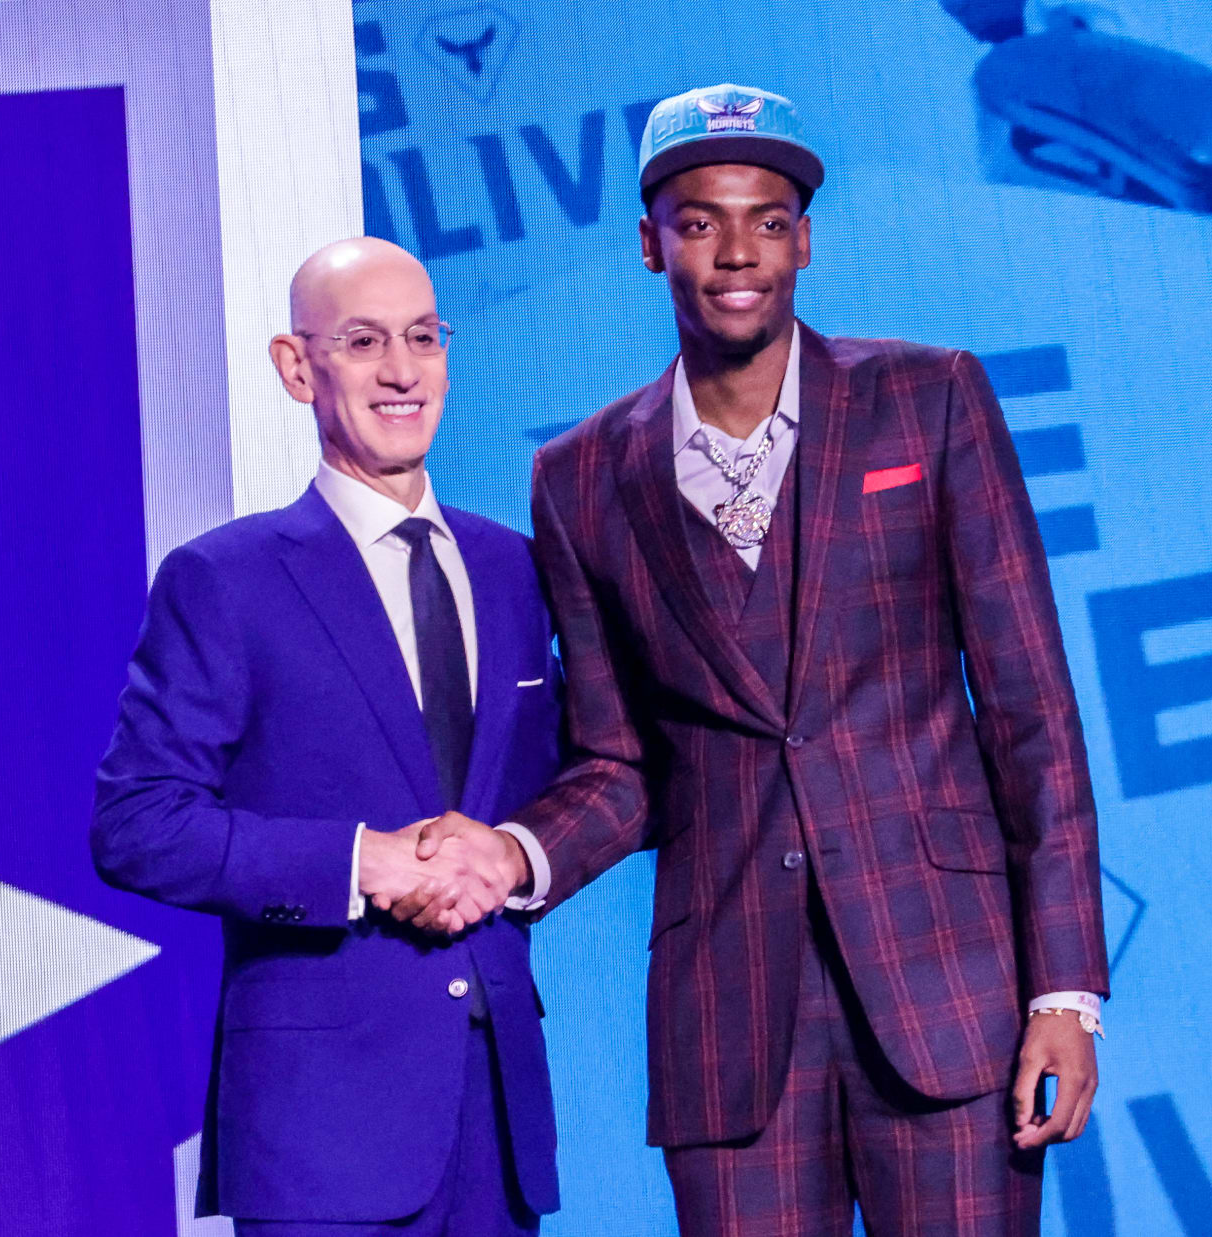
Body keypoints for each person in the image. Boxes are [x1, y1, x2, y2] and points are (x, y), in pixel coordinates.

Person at [414, 84, 1109, 1234]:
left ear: (805, 237)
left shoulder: (929, 400)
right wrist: (516, 853)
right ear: (651, 243)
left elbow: (1032, 712)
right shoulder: (581, 478)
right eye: (699, 221)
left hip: (945, 989)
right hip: (728, 1022)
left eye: (768, 219)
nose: (738, 251)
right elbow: (618, 760)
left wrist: (1067, 991)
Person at [91, 237, 560, 1236]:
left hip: (496, 1116)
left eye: (423, 338)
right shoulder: (226, 579)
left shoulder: (517, 569)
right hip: (319, 1132)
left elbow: (585, 780)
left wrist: (518, 854)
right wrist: (360, 862)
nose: (402, 371)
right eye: (363, 341)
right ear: (297, 366)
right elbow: (137, 823)